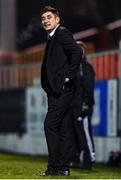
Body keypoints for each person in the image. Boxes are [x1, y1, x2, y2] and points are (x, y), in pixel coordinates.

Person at [40, 6, 83, 176]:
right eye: (43, 18)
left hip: (62, 90)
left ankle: (53, 167)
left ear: (57, 19)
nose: (45, 20)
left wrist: (69, 75)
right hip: (56, 90)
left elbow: (77, 51)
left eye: (49, 17)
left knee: (50, 125)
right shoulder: (52, 37)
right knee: (63, 128)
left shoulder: (61, 33)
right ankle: (63, 168)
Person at [71, 41, 96, 170]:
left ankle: (89, 159)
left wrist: (85, 104)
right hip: (74, 106)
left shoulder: (87, 68)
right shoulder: (73, 67)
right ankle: (74, 158)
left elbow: (88, 88)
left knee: (85, 133)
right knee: (75, 133)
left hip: (83, 105)